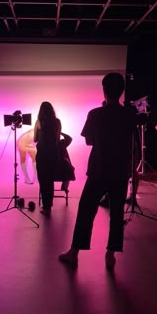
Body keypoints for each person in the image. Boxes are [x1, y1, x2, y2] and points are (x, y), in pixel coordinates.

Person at [59, 72, 137, 270]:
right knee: (117, 213)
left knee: (86, 210)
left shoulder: (95, 114)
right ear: (122, 91)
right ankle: (110, 254)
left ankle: (74, 252)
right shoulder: (129, 115)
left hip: (99, 169)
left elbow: (89, 140)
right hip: (120, 170)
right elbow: (131, 142)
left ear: (104, 90)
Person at [34, 101, 61, 216]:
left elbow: (35, 139)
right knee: (50, 181)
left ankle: (46, 207)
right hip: (53, 154)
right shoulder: (57, 122)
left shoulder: (38, 122)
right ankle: (48, 207)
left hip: (42, 155)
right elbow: (57, 138)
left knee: (43, 180)